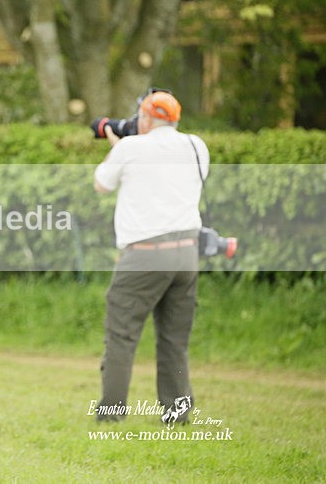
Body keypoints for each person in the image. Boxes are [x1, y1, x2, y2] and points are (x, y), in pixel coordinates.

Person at [92, 90, 209, 422]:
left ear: (145, 118)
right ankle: (178, 413)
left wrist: (119, 149)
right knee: (175, 339)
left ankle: (111, 412)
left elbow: (101, 184)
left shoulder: (129, 148)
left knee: (122, 336)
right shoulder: (195, 145)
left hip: (143, 255)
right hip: (187, 253)